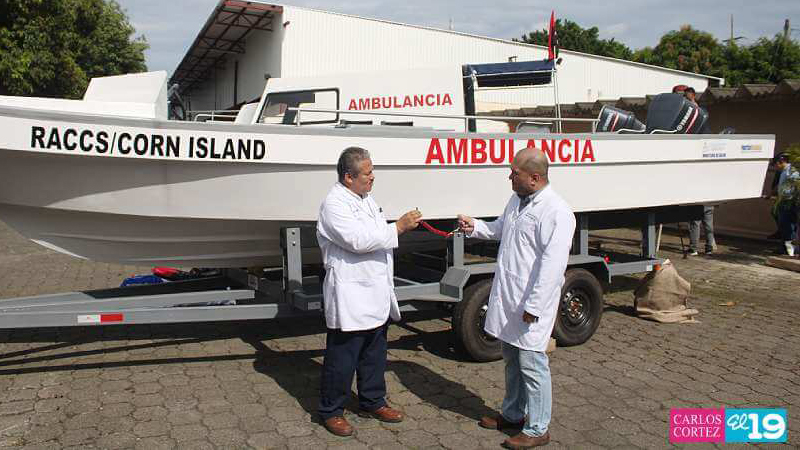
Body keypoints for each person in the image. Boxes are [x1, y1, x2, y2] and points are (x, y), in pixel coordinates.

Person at [458, 147, 575, 449]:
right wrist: (475, 227)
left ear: (534, 178)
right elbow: (501, 229)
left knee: (532, 364)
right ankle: (512, 414)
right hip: (511, 297)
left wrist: (534, 306)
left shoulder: (557, 212)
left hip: (531, 303)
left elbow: (552, 267)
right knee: (511, 358)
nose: (509, 175)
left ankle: (537, 429)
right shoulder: (517, 200)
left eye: (515, 172)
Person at [316, 147, 422, 436]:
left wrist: (394, 227)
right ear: (349, 177)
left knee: (375, 352)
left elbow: (376, 234)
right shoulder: (334, 204)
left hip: (374, 290)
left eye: (372, 171)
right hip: (351, 292)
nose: (373, 177)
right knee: (343, 356)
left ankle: (373, 400)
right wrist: (398, 227)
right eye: (368, 173)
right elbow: (358, 240)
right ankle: (331, 409)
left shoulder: (366, 199)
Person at [672, 85, 716, 255]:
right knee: (706, 219)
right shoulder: (693, 114)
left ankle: (695, 247)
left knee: (698, 220)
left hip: (700, 188)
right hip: (704, 186)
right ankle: (707, 247)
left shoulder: (696, 115)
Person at [773, 152, 799, 256]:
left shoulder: (791, 171)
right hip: (783, 202)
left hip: (789, 202)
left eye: (776, 164)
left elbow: (794, 187)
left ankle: (790, 251)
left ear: (782, 161)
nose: (775, 167)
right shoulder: (784, 172)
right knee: (784, 227)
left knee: (788, 228)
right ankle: (786, 249)